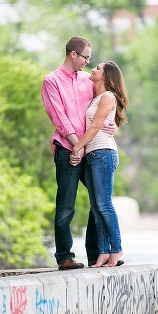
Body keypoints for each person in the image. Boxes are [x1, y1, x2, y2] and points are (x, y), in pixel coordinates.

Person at [42, 36, 115, 270]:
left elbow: (104, 106)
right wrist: (77, 145)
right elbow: (59, 117)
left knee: (98, 202)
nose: (88, 62)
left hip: (91, 149)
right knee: (66, 205)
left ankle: (96, 255)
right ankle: (64, 256)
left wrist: (114, 125)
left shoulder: (88, 80)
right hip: (67, 149)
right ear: (73, 54)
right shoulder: (51, 81)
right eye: (86, 57)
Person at [70, 61, 128, 268]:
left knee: (104, 205)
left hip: (104, 153)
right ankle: (103, 252)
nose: (92, 69)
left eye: (98, 68)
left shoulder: (108, 96)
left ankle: (116, 248)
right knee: (96, 208)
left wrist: (77, 147)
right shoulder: (96, 97)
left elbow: (95, 126)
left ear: (106, 76)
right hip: (93, 155)